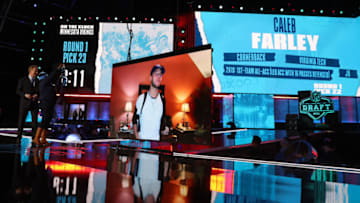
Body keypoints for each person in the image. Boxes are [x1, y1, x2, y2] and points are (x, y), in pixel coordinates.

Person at [132, 64, 166, 141]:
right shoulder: (141, 98)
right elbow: (134, 120)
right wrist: (138, 139)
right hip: (142, 144)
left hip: (156, 144)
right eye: (156, 74)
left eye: (160, 75)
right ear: (150, 78)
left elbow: (162, 123)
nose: (159, 77)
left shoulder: (162, 100)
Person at [33, 64, 64, 145]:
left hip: (50, 103)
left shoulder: (48, 84)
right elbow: (51, 76)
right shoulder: (43, 82)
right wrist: (57, 69)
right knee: (44, 121)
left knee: (47, 121)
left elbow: (55, 83)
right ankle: (36, 138)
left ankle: (43, 138)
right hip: (45, 103)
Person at [16, 65, 39, 142]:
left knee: (34, 121)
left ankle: (34, 137)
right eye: (35, 71)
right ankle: (19, 136)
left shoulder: (38, 81)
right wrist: (25, 95)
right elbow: (18, 91)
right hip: (25, 103)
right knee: (21, 120)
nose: (36, 72)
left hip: (34, 103)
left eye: (37, 71)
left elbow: (39, 91)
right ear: (30, 71)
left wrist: (37, 95)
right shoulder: (22, 80)